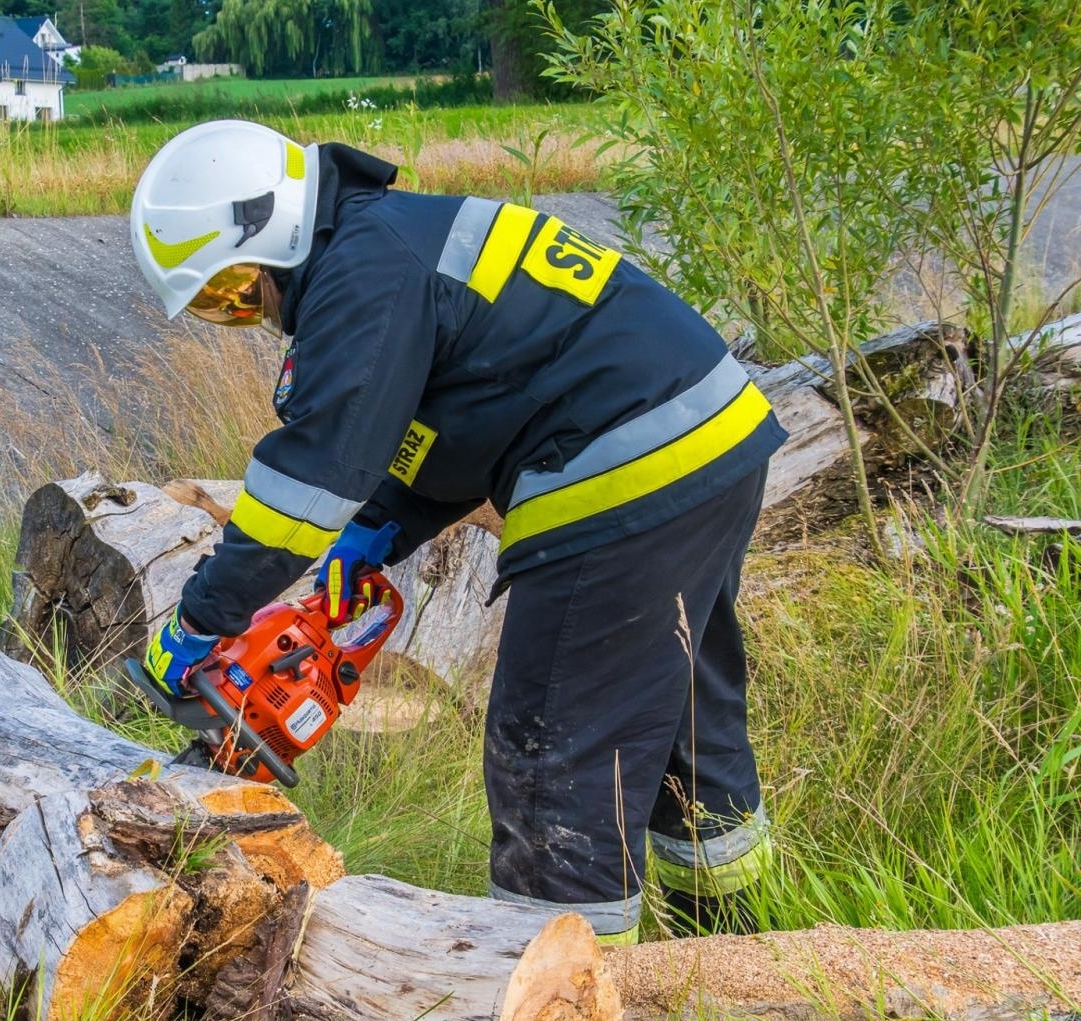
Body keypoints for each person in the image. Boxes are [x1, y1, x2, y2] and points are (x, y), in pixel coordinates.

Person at [130, 119, 787, 942]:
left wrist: (201, 620)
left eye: (234, 289)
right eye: (218, 310)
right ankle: (737, 963)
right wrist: (376, 530)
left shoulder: (360, 275)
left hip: (625, 463)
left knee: (552, 754)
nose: (248, 312)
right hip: (711, 438)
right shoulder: (393, 239)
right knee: (685, 722)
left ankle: (558, 1002)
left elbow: (305, 475)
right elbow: (461, 419)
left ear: (273, 228)